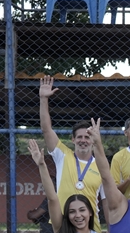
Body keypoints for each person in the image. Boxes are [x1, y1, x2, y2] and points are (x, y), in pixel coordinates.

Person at [27, 139, 108, 233]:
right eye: (72, 211)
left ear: (90, 212)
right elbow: (52, 198)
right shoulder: (61, 231)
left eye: (82, 210)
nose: (78, 215)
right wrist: (42, 165)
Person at [37, 76, 103, 210]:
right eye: (79, 137)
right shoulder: (62, 155)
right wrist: (43, 99)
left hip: (90, 223)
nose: (83, 140)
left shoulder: (102, 165)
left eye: (87, 137)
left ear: (93, 140)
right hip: (63, 221)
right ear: (73, 139)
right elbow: (46, 129)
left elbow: (107, 200)